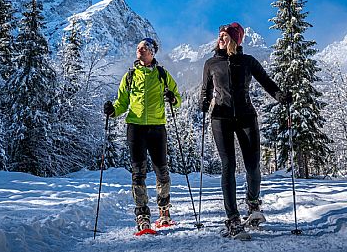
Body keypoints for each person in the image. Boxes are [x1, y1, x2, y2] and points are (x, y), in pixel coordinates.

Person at [200, 22, 292, 237]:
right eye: (220, 35)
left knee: (253, 165)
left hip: (246, 116)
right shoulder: (211, 63)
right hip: (220, 118)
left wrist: (281, 97)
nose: (220, 38)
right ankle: (232, 219)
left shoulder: (248, 61)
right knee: (228, 165)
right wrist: (203, 103)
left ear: (235, 39)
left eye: (225, 35)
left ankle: (253, 204)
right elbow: (206, 91)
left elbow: (268, 83)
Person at [103, 38, 181, 232]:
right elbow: (121, 103)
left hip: (157, 127)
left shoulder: (162, 74)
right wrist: (112, 111)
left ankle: (164, 211)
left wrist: (172, 98)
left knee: (161, 170)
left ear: (152, 52)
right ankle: (142, 215)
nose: (139, 49)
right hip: (135, 128)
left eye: (144, 47)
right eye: (138, 47)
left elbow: (178, 99)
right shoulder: (129, 76)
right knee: (138, 173)